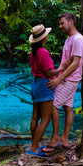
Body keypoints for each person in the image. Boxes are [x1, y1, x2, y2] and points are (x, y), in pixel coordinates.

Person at [43, 12, 83, 153]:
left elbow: (75, 63)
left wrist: (59, 79)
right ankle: (65, 139)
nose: (60, 26)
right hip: (68, 79)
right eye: (60, 23)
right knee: (68, 108)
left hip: (69, 80)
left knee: (52, 106)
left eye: (62, 23)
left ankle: (55, 138)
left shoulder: (78, 40)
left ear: (71, 22)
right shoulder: (69, 39)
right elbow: (68, 62)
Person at [27, 24, 72, 158]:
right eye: (46, 34)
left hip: (35, 84)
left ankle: (34, 144)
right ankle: (33, 148)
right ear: (43, 38)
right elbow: (48, 73)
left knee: (35, 117)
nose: (47, 36)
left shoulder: (33, 53)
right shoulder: (43, 52)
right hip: (44, 85)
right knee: (46, 119)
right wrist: (62, 68)